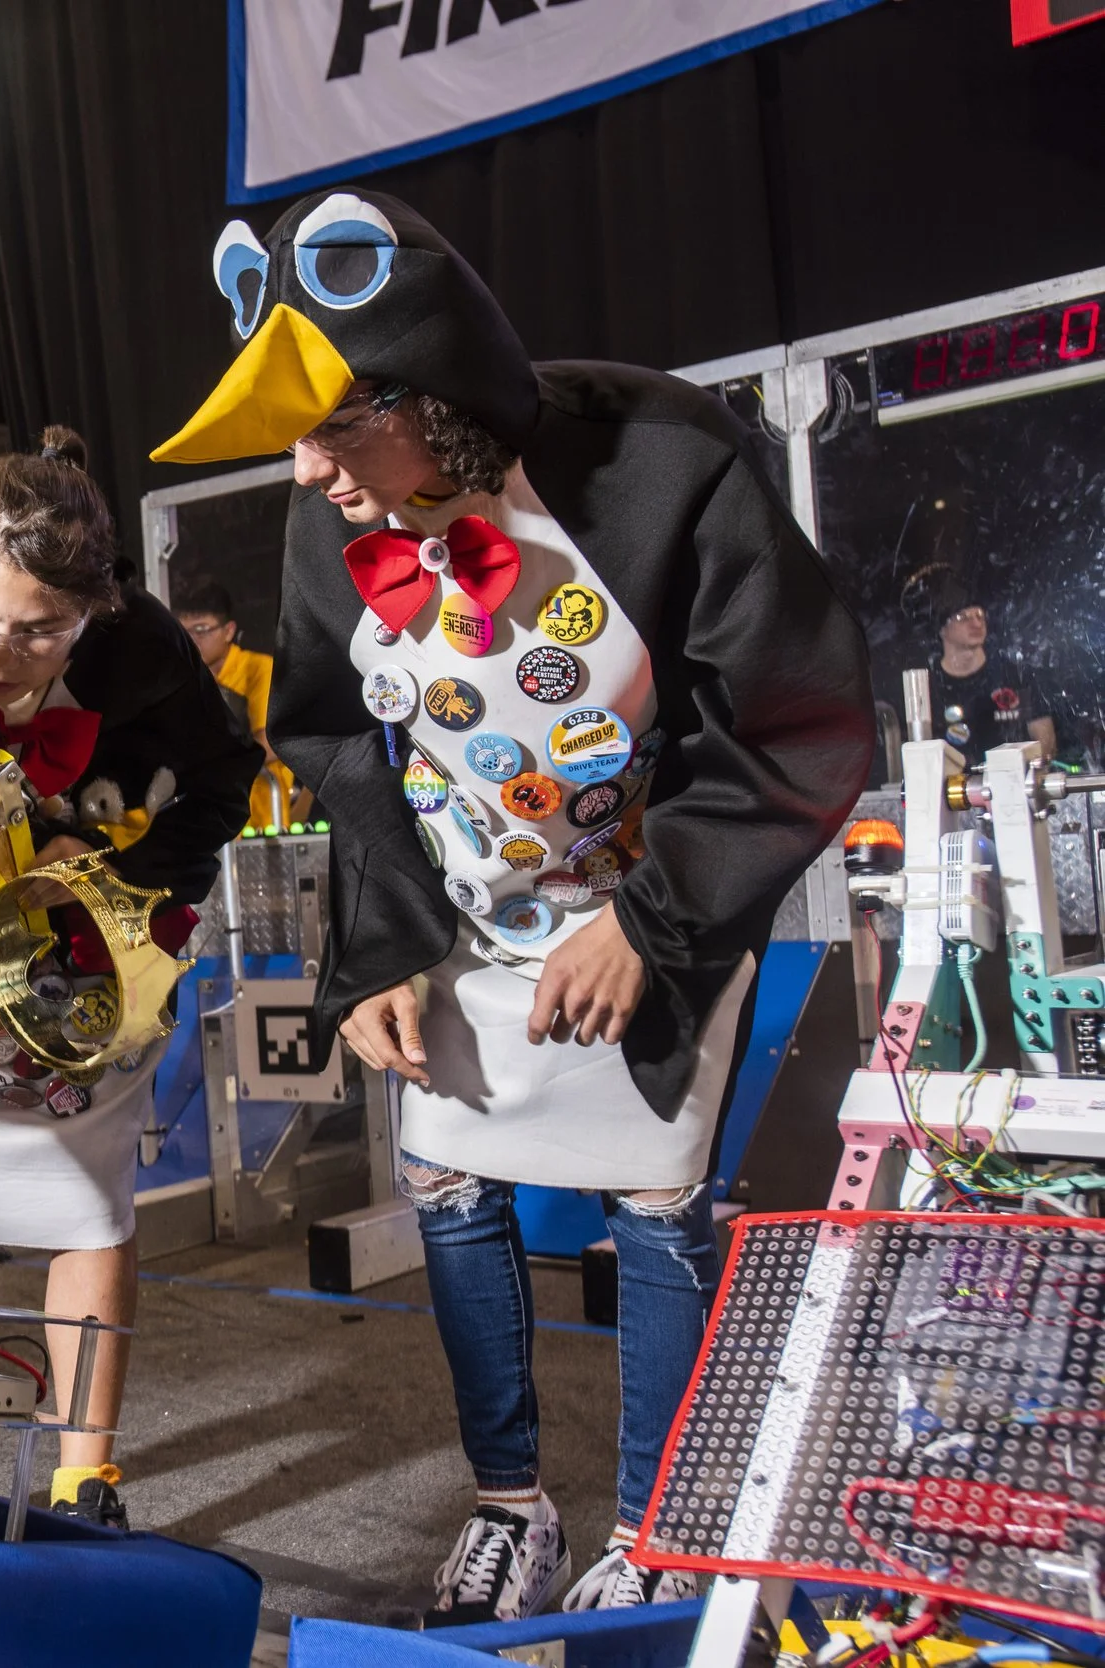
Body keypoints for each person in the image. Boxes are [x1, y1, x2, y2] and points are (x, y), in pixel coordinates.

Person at [154, 190, 874, 1618]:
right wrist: (377, 951)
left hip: (652, 898)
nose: (305, 475)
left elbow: (794, 721)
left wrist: (655, 920)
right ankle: (511, 1505)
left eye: (340, 429)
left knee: (655, 1200)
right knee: (448, 1182)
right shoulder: (329, 525)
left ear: (445, 396)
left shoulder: (663, 462)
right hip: (464, 917)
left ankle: (659, 1531)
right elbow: (336, 742)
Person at [0, 426, 258, 1527]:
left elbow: (226, 777)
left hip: (89, 968)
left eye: (39, 631)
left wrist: (122, 870)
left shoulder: (149, 657)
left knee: (88, 1212)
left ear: (94, 613)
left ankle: (88, 1473)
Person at [175, 580, 304, 830]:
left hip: (261, 822)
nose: (191, 640)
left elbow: (270, 741)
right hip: (204, 825)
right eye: (183, 631)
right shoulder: (180, 678)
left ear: (229, 630)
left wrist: (209, 769)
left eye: (201, 629)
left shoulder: (259, 669)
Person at [910, 566, 1058, 760]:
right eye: (963, 617)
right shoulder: (927, 687)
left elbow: (1045, 743)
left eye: (979, 615)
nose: (976, 623)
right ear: (941, 629)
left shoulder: (1016, 675)